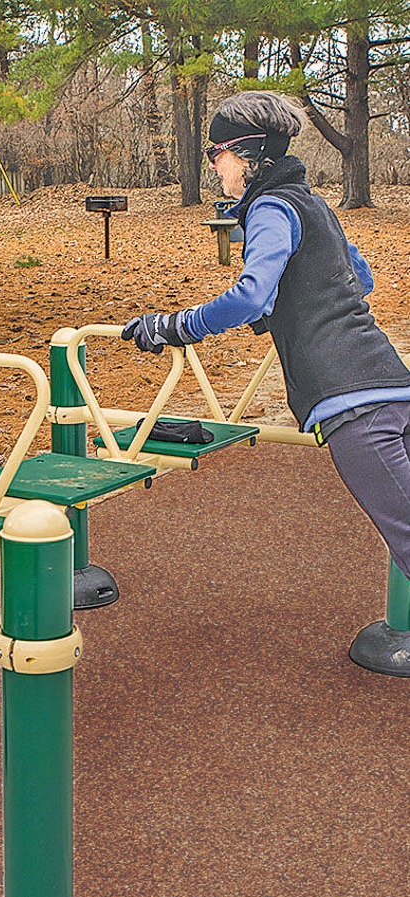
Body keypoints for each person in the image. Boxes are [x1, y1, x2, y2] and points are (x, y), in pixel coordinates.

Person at [121, 89, 410, 583]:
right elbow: (359, 279)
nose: (214, 165)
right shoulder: (312, 202)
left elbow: (251, 295)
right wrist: (290, 304)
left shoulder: (270, 208)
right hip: (389, 381)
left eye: (219, 153)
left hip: (352, 400)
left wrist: (174, 326)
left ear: (251, 156)